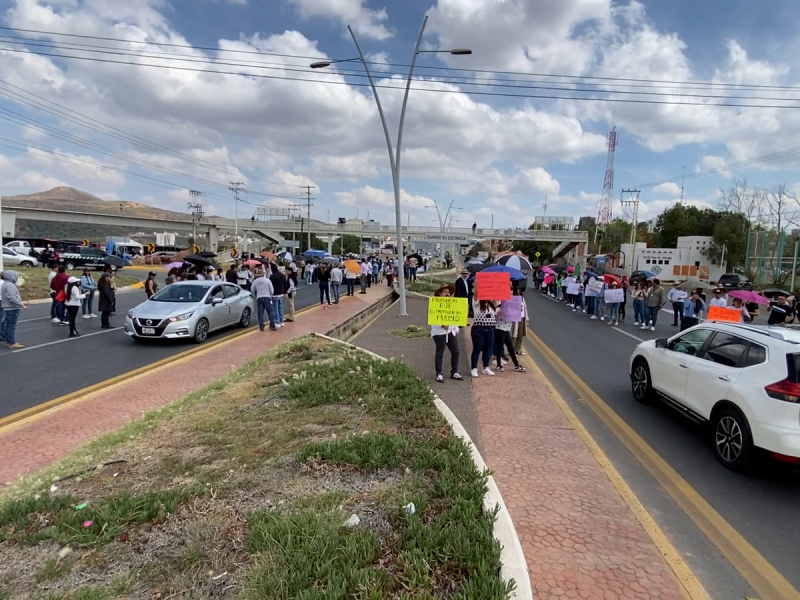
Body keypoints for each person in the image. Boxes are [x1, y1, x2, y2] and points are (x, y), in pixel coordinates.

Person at [431, 284, 463, 382]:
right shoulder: (435, 304)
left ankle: (454, 372)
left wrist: (456, 328)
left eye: (448, 292)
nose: (447, 294)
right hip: (439, 333)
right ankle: (439, 373)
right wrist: (442, 324)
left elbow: (455, 316)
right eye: (445, 292)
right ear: (440, 294)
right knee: (440, 352)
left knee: (456, 351)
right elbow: (433, 317)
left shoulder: (452, 304)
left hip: (450, 332)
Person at [494, 295, 527, 372]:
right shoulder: (499, 305)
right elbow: (495, 314)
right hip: (500, 328)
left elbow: (516, 314)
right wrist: (498, 313)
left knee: (511, 348)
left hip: (506, 329)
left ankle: (516, 365)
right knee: (500, 347)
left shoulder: (511, 306)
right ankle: (499, 365)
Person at [470, 299, 497, 378]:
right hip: (478, 330)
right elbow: (476, 295)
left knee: (487, 349)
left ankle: (486, 367)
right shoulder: (477, 303)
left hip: (490, 330)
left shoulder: (492, 305)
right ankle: (474, 368)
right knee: (477, 349)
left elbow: (499, 301)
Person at [1, 270, 26, 349]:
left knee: (9, 325)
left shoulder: (6, 284)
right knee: (11, 325)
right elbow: (11, 297)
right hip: (12, 308)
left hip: (8, 307)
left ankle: (9, 341)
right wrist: (20, 304)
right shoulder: (10, 285)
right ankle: (11, 342)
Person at [512, 287, 528, 356]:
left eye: (519, 292)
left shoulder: (522, 299)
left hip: (522, 318)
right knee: (513, 335)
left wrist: (526, 318)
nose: (518, 294)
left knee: (520, 335)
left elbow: (525, 309)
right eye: (517, 292)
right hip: (515, 318)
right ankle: (512, 350)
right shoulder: (512, 299)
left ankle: (518, 349)